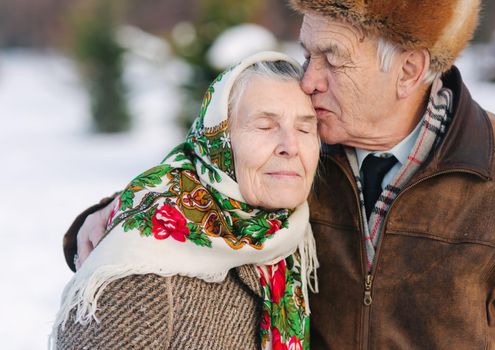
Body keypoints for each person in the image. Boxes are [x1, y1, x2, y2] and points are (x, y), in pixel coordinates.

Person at [65, 0, 495, 348]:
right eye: (308, 54)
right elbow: (205, 177)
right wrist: (115, 212)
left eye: (332, 57)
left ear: (409, 70)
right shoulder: (300, 151)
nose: (308, 81)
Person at [51, 51, 321, 349]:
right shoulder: (141, 269)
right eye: (265, 126)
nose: (291, 146)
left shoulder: (300, 228)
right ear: (218, 142)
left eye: (305, 128)